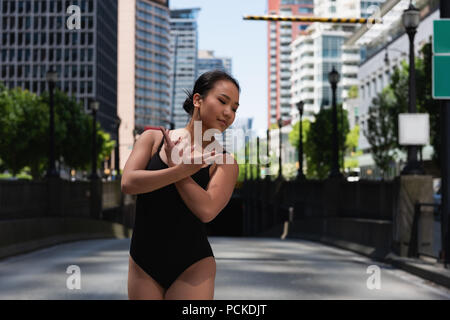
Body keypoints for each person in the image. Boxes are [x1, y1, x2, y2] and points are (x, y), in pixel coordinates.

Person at [121, 70, 240, 300]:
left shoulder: (225, 162)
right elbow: (128, 183)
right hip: (143, 262)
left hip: (193, 266)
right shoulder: (153, 139)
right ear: (198, 100)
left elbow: (207, 210)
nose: (228, 113)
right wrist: (179, 170)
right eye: (223, 101)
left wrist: (181, 172)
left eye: (234, 108)